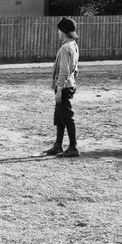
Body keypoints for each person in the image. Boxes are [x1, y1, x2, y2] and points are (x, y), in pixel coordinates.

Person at [42, 17, 80, 158]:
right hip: (69, 85)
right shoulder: (74, 45)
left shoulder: (65, 48)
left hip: (63, 87)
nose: (58, 33)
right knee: (59, 116)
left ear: (63, 32)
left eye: (59, 31)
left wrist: (59, 89)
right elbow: (76, 69)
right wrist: (72, 83)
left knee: (67, 117)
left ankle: (73, 147)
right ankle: (58, 145)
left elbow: (64, 70)